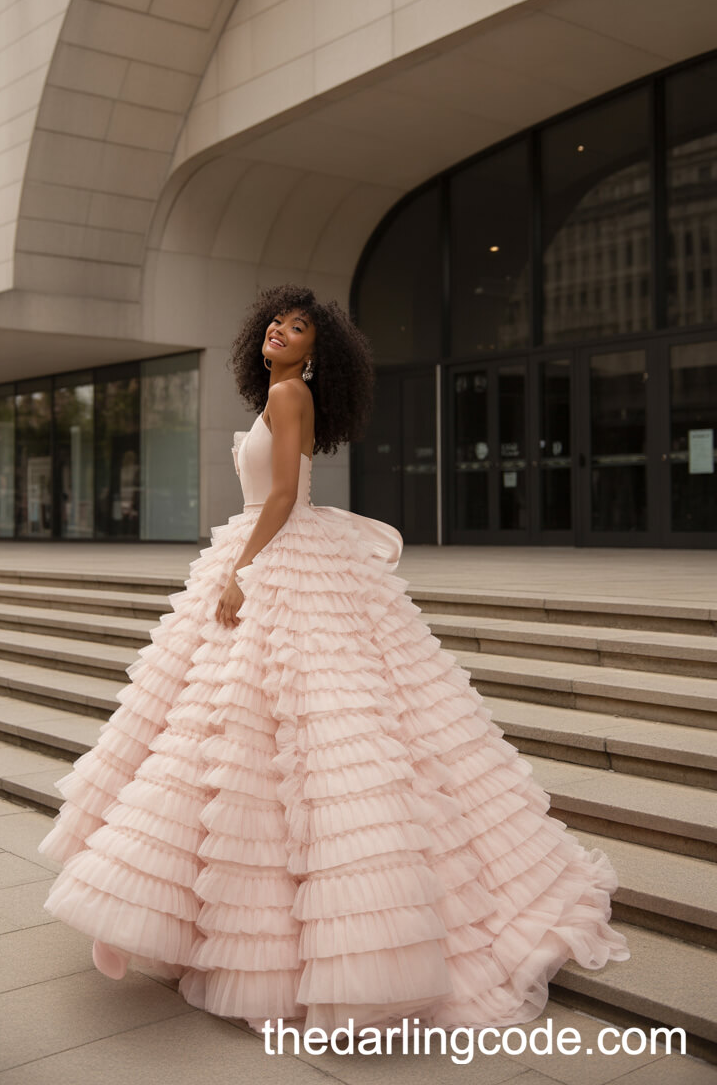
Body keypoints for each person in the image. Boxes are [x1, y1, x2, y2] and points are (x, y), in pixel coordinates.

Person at [38, 283, 630, 1039]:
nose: (282, 333)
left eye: (299, 328)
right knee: (227, 736)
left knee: (265, 737)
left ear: (322, 350)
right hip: (282, 553)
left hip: (277, 557)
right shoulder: (279, 394)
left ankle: (237, 934)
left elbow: (282, 495)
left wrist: (238, 573)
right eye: (276, 324)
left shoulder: (291, 401)